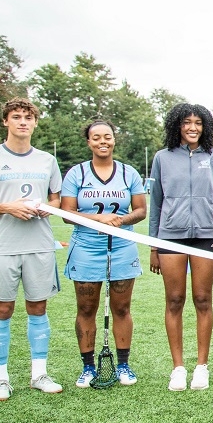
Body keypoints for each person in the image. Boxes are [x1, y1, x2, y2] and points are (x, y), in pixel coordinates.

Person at [0, 97, 64, 401]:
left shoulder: (47, 160)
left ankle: (39, 374)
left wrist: (48, 208)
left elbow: (56, 200)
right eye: (16, 116)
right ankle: (0, 378)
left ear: (35, 122)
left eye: (28, 117)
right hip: (4, 246)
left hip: (39, 245)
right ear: (5, 121)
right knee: (3, 309)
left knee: (38, 307)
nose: (23, 122)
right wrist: (7, 207)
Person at [148, 103, 213, 392]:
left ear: (205, 126)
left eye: (198, 123)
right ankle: (178, 368)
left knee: (203, 299)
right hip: (170, 237)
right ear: (177, 126)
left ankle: (201, 367)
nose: (193, 127)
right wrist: (154, 246)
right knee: (174, 300)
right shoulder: (162, 158)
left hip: (205, 238)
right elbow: (155, 203)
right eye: (187, 122)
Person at [61, 120, 147, 388]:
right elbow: (67, 214)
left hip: (121, 248)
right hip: (86, 248)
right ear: (88, 142)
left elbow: (140, 210)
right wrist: (99, 218)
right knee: (87, 307)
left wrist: (120, 221)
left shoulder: (128, 172)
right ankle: (87, 367)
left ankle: (123, 364)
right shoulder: (77, 174)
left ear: (114, 140)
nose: (102, 141)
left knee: (121, 308)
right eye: (96, 137)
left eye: (107, 136)